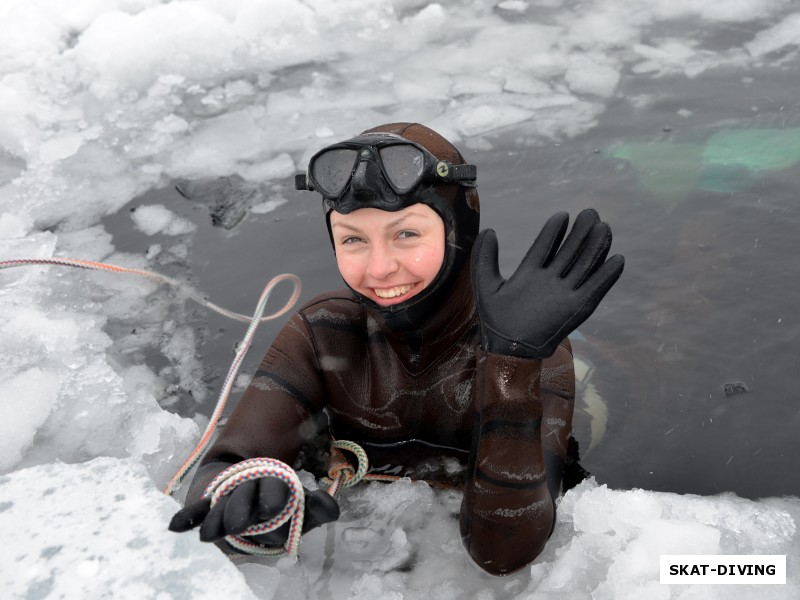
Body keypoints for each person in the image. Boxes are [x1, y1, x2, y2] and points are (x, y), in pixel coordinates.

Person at [169, 122, 624, 575]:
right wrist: (245, 497)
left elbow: (502, 556)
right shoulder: (325, 330)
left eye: (406, 234)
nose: (380, 268)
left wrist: (512, 364)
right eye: (353, 239)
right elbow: (224, 466)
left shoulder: (532, 349)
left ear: (459, 232)